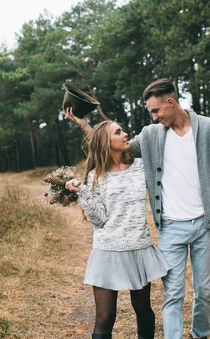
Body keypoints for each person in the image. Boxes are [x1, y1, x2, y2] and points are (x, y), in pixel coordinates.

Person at [65, 78, 210, 339]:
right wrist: (84, 126)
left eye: (156, 111)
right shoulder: (151, 135)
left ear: (170, 102)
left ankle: (199, 333)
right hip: (170, 226)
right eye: (151, 113)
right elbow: (110, 146)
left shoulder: (209, 128)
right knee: (173, 293)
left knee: (204, 292)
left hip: (205, 223)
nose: (154, 117)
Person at [65, 120, 170, 339]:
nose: (125, 134)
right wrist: (83, 192)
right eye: (118, 132)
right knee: (104, 317)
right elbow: (98, 219)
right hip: (107, 252)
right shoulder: (95, 177)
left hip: (137, 248)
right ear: (106, 142)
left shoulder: (141, 166)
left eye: (123, 130)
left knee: (143, 311)